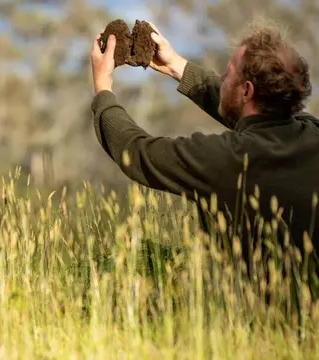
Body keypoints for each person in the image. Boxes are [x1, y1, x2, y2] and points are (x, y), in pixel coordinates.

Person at [90, 22, 319, 280]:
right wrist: (176, 65)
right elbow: (257, 117)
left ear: (246, 90)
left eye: (230, 73)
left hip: (258, 314)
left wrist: (103, 89)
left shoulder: (227, 158)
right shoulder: (312, 131)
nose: (221, 77)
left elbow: (137, 152)